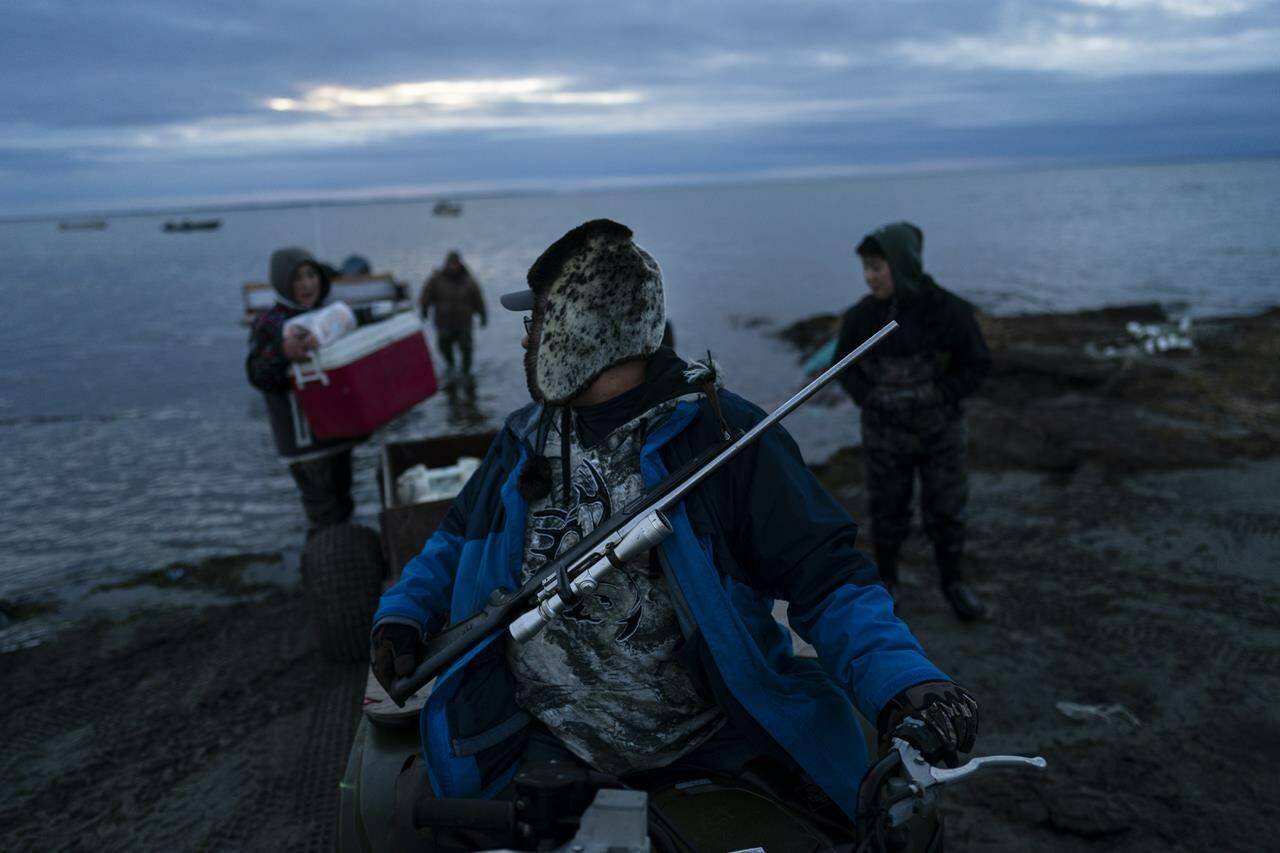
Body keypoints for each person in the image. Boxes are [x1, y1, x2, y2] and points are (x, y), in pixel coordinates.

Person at [369, 220, 979, 850]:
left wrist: (904, 682)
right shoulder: (526, 437)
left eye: (537, 323)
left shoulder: (724, 437)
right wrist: (404, 615)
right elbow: (455, 539)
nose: (526, 340)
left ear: (580, 335)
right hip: (542, 732)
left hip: (704, 738)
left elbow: (827, 580)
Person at [833, 222, 992, 621]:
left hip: (941, 434)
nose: (869, 277)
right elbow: (844, 368)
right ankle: (889, 582)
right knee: (887, 511)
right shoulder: (860, 318)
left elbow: (977, 365)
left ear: (901, 265)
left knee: (947, 510)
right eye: (865, 269)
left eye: (876, 267)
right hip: (884, 437)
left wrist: (939, 394)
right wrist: (870, 398)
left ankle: (954, 584)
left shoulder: (949, 311)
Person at [245, 247, 377, 531]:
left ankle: (345, 556)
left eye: (311, 275)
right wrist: (283, 353)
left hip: (337, 433)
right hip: (304, 442)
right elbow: (257, 374)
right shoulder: (270, 324)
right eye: (296, 278)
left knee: (344, 502)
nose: (306, 284)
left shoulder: (328, 315)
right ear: (282, 283)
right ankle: (325, 564)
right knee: (324, 514)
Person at [418, 250, 486, 379]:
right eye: (451, 263)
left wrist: (483, 316)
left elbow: (478, 300)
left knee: (466, 348)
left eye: (455, 263)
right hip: (444, 322)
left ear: (459, 264)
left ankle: (466, 371)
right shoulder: (435, 280)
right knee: (444, 347)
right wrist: (424, 310)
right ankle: (451, 366)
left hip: (464, 323)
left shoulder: (469, 282)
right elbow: (425, 297)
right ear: (446, 264)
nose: (453, 266)